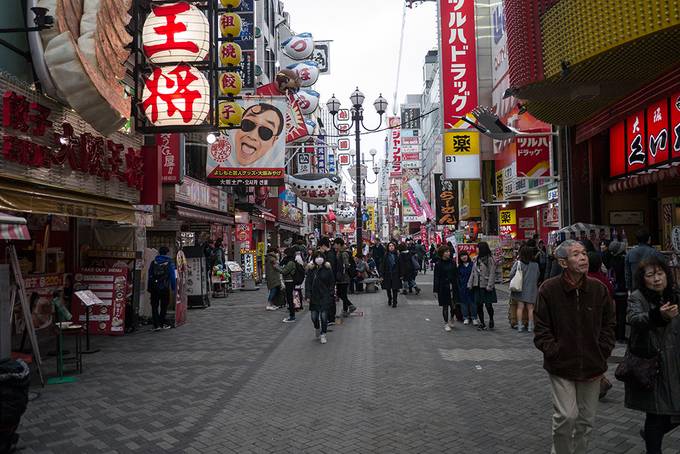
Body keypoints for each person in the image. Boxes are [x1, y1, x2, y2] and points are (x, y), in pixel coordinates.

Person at [533, 240, 616, 454]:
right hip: (561, 364)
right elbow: (541, 328)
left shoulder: (598, 289)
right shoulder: (549, 290)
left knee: (586, 421)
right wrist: (553, 350)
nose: (583, 258)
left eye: (584, 254)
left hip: (592, 364)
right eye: (576, 254)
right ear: (562, 262)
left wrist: (603, 349)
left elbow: (609, 323)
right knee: (566, 416)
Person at [625, 256, 680, 454]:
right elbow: (635, 319)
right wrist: (658, 315)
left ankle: (651, 434)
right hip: (655, 364)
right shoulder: (638, 297)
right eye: (650, 275)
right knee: (656, 414)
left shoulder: (675, 293)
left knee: (671, 412)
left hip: (676, 363)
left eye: (660, 273)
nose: (656, 279)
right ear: (643, 278)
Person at [305, 251, 335, 344]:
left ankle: (323, 334)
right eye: (317, 257)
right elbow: (308, 283)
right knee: (314, 317)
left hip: (325, 296)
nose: (319, 259)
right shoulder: (311, 269)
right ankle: (317, 327)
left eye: (320, 257)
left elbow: (332, 282)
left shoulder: (327, 269)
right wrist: (308, 295)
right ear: (313, 259)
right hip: (314, 296)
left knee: (323, 316)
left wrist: (330, 293)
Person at [509, 245, 540, 333]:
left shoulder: (518, 263)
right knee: (530, 308)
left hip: (520, 288)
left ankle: (519, 326)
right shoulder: (535, 265)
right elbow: (537, 275)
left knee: (520, 307)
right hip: (532, 289)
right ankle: (530, 326)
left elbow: (511, 274)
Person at [467, 241, 497, 330]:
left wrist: (490, 285)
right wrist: (470, 283)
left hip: (486, 285)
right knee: (479, 305)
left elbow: (492, 273)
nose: (476, 249)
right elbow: (473, 272)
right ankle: (482, 323)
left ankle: (491, 319)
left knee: (488, 305)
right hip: (477, 285)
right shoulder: (476, 259)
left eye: (478, 247)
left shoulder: (490, 259)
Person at [625, 227, 665, 291]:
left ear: (637, 240)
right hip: (653, 286)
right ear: (649, 239)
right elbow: (664, 270)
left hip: (636, 288)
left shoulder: (629, 253)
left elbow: (628, 274)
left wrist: (629, 288)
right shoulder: (656, 253)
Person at [147, 246, 177, 331]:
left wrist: (149, 287)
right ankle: (161, 323)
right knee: (164, 306)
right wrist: (174, 287)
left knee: (154, 306)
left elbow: (150, 275)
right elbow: (172, 276)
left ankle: (156, 325)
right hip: (164, 287)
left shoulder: (153, 262)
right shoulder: (169, 262)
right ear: (167, 253)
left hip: (154, 288)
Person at [434, 246, 458, 332]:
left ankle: (452, 318)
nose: (448, 253)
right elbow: (436, 277)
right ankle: (446, 323)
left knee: (453, 306)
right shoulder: (438, 264)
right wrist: (435, 290)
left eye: (448, 251)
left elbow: (456, 275)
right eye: (446, 252)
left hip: (453, 287)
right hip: (443, 287)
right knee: (445, 306)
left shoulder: (453, 262)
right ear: (442, 253)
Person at [607, 240, 628, 341]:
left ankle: (615, 335)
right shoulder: (623, 261)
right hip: (622, 289)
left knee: (615, 313)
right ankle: (621, 336)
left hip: (613, 290)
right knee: (622, 314)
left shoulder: (610, 260)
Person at [333, 238, 357, 317]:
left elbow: (346, 265)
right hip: (342, 276)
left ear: (339, 244)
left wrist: (342, 271)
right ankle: (345, 310)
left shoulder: (344, 253)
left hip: (343, 277)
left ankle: (351, 306)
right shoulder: (339, 252)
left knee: (341, 294)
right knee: (343, 294)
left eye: (335, 244)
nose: (334, 245)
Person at [317, 237, 337, 323]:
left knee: (330, 298)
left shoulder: (329, 255)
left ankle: (331, 317)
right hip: (329, 281)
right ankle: (330, 317)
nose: (320, 249)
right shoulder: (330, 253)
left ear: (323, 246)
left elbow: (330, 269)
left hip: (329, 281)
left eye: (320, 247)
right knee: (329, 298)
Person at [279, 248, 298, 323]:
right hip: (288, 281)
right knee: (289, 298)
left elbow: (284, 271)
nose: (284, 254)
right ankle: (291, 315)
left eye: (285, 253)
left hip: (290, 281)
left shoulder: (290, 262)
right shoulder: (288, 261)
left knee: (290, 299)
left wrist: (276, 267)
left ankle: (292, 316)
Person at [457, 251, 476, 325]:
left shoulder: (472, 265)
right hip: (462, 287)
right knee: (463, 303)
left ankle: (474, 317)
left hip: (472, 287)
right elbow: (458, 277)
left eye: (465, 255)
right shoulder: (459, 267)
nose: (464, 257)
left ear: (467, 256)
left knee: (473, 302)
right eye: (462, 256)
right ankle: (466, 317)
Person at [380, 241, 402, 307]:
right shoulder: (385, 255)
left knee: (395, 289)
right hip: (387, 274)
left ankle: (395, 301)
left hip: (395, 274)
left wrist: (401, 274)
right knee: (388, 289)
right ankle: (390, 298)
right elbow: (382, 266)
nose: (391, 247)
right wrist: (381, 275)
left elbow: (401, 265)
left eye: (392, 246)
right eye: (390, 246)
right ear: (388, 247)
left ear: (394, 247)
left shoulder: (397, 255)